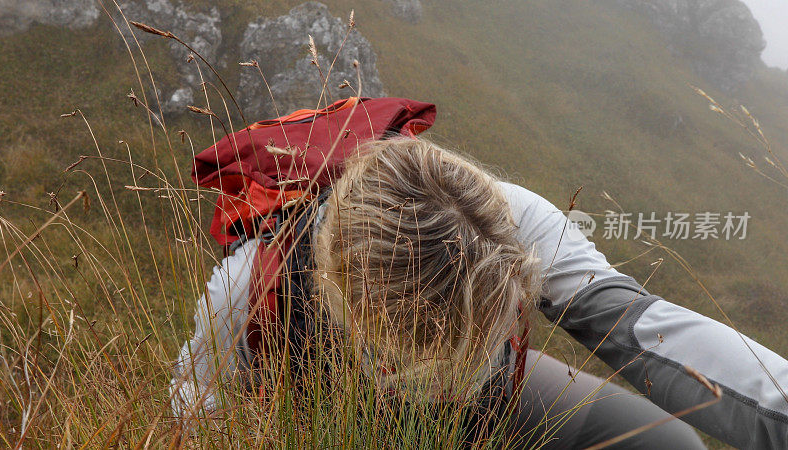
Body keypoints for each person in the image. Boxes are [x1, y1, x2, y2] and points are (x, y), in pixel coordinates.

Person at [171, 138, 788, 449]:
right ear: (342, 291)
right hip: (331, 426)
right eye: (426, 346)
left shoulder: (513, 219)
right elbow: (197, 416)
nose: (446, 375)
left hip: (494, 405)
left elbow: (646, 331)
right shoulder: (250, 293)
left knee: (665, 445)